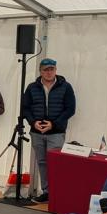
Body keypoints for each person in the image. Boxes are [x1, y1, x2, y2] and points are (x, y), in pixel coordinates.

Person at [20, 58, 76, 203]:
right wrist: (33, 122)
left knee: (55, 163)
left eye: (52, 69)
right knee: (42, 162)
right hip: (37, 132)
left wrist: (54, 124)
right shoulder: (32, 87)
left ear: (56, 70)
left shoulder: (66, 87)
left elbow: (70, 109)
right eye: (46, 70)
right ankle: (47, 192)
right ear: (40, 71)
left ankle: (57, 192)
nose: (49, 72)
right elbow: (25, 108)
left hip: (56, 133)